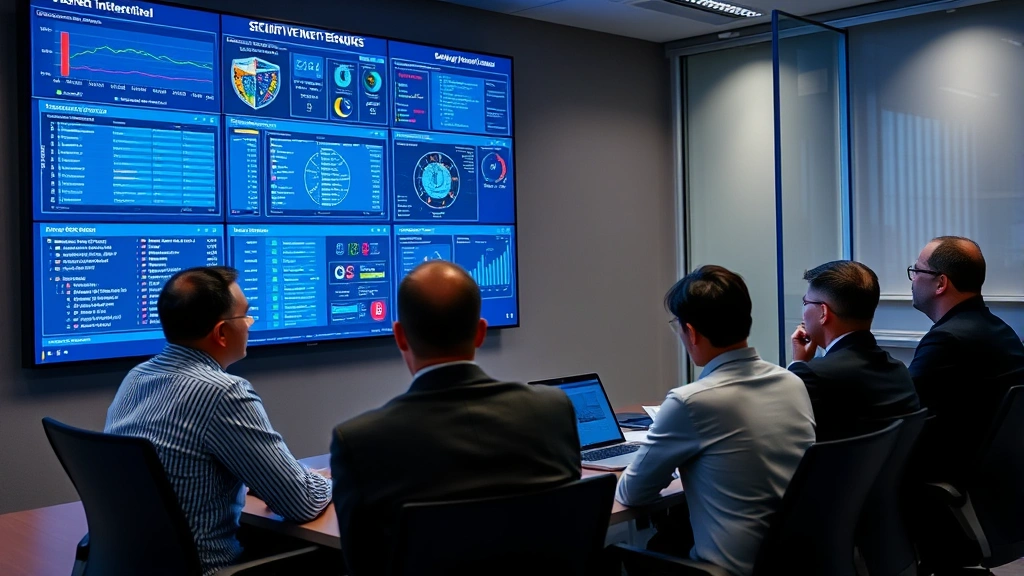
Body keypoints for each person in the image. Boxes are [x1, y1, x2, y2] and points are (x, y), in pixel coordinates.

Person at [329, 261, 581, 576]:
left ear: (400, 336)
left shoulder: (360, 442)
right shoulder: (553, 410)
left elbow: (363, 568)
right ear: (480, 332)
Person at [105, 266, 331, 576]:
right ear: (222, 333)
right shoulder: (223, 392)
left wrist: (266, 479)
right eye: (245, 316)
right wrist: (329, 481)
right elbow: (300, 503)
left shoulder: (137, 377)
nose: (250, 324)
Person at [616, 265, 815, 576]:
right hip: (793, 560)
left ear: (691, 332)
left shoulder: (690, 401)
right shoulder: (791, 382)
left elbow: (633, 493)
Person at [908, 236, 1024, 487]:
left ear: (941, 283)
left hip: (950, 481)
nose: (913, 278)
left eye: (917, 270)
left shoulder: (946, 341)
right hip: (999, 483)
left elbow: (905, 416)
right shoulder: (1001, 331)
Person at [789, 260, 920, 440]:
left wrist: (798, 365)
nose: (803, 311)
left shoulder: (813, 376)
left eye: (806, 302)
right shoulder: (898, 370)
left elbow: (784, 435)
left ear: (823, 313)